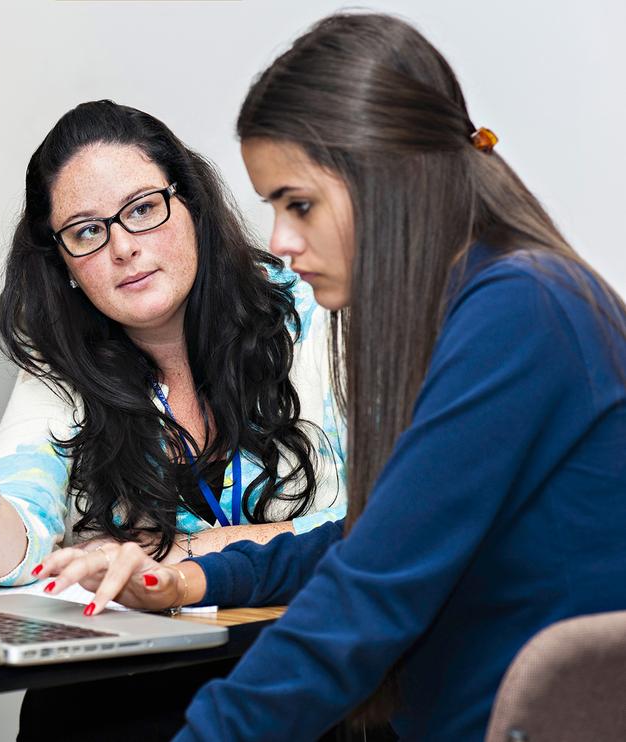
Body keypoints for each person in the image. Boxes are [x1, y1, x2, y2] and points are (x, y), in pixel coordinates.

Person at [36, 13, 626, 741]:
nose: (280, 242)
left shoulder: (522, 311)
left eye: (300, 204)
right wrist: (192, 581)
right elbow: (367, 539)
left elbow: (367, 593)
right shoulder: (482, 305)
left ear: (389, 177)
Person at [0, 100, 347, 739]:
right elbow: (28, 545)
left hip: (300, 670)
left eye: (142, 210)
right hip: (126, 685)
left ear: (190, 206)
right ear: (65, 265)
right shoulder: (63, 358)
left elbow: (368, 525)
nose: (124, 249)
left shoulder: (312, 313)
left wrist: (171, 556)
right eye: (86, 231)